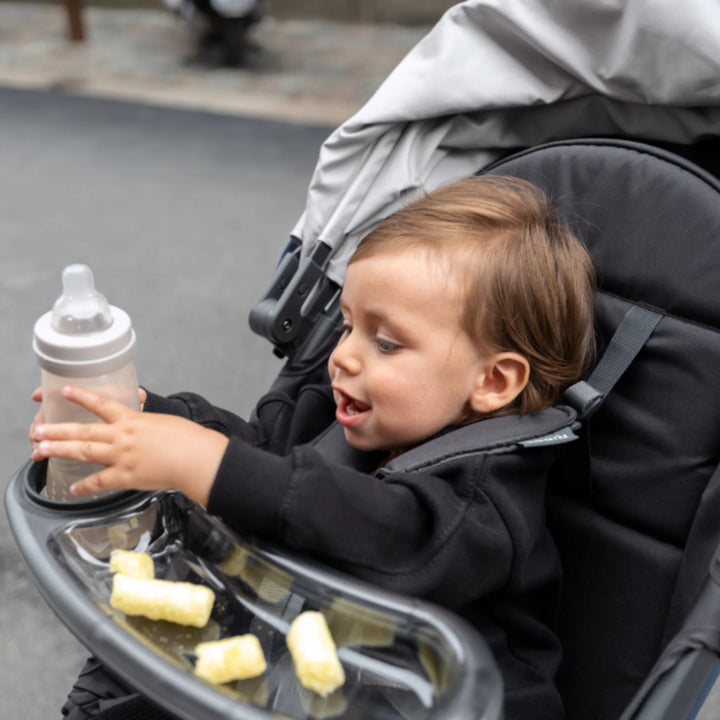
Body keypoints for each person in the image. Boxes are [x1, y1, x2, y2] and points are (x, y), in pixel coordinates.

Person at [30, 174, 596, 720]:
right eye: (347, 325)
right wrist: (149, 416)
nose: (345, 356)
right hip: (316, 673)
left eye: (386, 342)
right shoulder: (337, 408)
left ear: (493, 382)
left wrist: (203, 464)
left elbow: (388, 538)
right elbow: (258, 450)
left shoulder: (486, 499)